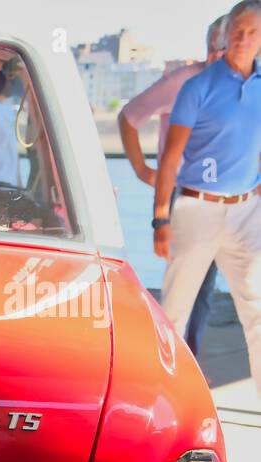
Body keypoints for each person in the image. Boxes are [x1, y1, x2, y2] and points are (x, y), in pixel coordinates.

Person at [155, 0, 261, 397]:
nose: (243, 38)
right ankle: (162, 402)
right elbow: (170, 159)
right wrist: (160, 219)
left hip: (247, 214)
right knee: (173, 314)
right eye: (237, 30)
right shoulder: (197, 87)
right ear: (225, 33)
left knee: (257, 316)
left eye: (252, 32)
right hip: (196, 210)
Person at [119, 15, 229, 355]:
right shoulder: (183, 80)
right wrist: (140, 169)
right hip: (182, 196)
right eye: (210, 44)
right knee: (186, 288)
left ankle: (187, 358)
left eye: (221, 46)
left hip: (224, 199)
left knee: (205, 288)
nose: (213, 53)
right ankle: (175, 361)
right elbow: (129, 116)